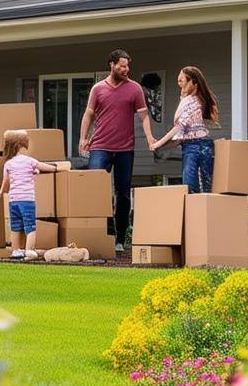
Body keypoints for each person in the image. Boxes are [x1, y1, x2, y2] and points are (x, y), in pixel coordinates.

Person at [79, 49, 154, 252]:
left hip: (125, 149)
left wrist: (149, 138)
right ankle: (104, 234)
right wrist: (83, 138)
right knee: (98, 192)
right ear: (111, 65)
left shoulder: (135, 89)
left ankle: (120, 239)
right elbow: (88, 114)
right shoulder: (98, 89)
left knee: (123, 194)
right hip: (100, 147)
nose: (125, 69)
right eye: (122, 65)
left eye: (127, 66)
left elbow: (144, 116)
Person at [149, 66, 220, 193]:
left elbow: (179, 127)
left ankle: (204, 211)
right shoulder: (188, 100)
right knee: (195, 185)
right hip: (191, 146)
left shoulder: (195, 102)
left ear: (193, 82)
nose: (179, 83)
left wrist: (157, 144)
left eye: (181, 80)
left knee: (198, 186)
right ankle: (199, 211)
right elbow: (182, 133)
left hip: (198, 145)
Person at [0, 130, 60, 260]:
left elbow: (6, 181)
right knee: (30, 226)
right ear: (21, 146)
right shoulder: (29, 161)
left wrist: (1, 191)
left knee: (15, 226)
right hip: (27, 200)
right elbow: (43, 167)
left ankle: (15, 251)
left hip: (13, 200)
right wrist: (56, 168)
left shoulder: (8, 163)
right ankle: (29, 250)